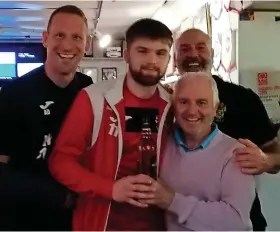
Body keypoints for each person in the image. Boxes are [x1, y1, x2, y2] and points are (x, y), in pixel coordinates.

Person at [48, 18, 173, 231]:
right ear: (126, 55)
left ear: (169, 58)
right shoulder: (93, 98)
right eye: (142, 51)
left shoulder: (173, 106)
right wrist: (110, 188)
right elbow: (60, 162)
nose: (152, 60)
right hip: (101, 223)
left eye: (160, 53)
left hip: (160, 224)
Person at [175, 28, 280, 231]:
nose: (194, 55)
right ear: (175, 57)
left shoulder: (243, 99)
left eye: (201, 48)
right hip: (180, 222)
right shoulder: (165, 103)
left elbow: (276, 152)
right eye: (185, 49)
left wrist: (267, 160)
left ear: (213, 54)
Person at [0, 5, 92, 231]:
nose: (68, 45)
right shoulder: (14, 93)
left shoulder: (90, 91)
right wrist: (58, 196)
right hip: (24, 220)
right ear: (45, 39)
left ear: (86, 44)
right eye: (60, 35)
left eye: (76, 37)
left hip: (77, 221)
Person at [139, 71, 256, 230]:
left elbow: (235, 222)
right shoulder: (160, 144)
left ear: (215, 108)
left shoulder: (236, 153)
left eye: (201, 102)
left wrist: (171, 201)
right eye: (184, 102)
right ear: (173, 106)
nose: (192, 111)